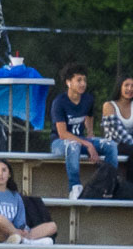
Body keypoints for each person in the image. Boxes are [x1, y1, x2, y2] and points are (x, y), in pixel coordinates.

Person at [50, 62, 118, 200]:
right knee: (73, 145)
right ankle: (74, 188)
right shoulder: (59, 102)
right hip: (60, 142)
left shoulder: (88, 99)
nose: (83, 84)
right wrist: (88, 144)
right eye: (79, 80)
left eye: (84, 80)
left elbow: (89, 116)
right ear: (68, 82)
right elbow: (62, 134)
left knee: (111, 145)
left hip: (81, 139)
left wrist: (90, 134)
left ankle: (108, 184)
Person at [0, 159, 56, 245]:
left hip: (14, 232)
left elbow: (20, 222)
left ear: (9, 174)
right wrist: (8, 228)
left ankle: (23, 239)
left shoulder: (15, 196)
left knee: (52, 226)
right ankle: (25, 241)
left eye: (4, 170)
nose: (0, 174)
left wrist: (22, 230)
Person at [100, 73, 133, 182]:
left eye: (132, 86)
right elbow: (119, 134)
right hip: (115, 144)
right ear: (120, 87)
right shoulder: (109, 106)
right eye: (126, 85)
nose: (130, 89)